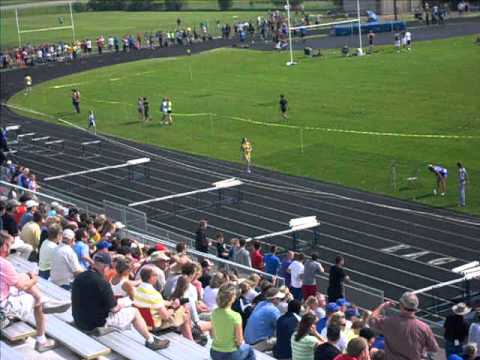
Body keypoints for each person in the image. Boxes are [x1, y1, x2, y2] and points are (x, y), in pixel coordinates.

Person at [72, 252, 169, 350]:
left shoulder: (80, 276)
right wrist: (123, 303)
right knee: (134, 312)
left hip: (78, 319)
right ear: (106, 267)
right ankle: (151, 341)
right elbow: (114, 309)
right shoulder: (102, 283)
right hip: (93, 324)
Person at [0, 232, 70, 352]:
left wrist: (27, 277)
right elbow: (23, 286)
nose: (10, 248)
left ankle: (42, 299)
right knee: (35, 299)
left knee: (22, 277)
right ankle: (41, 340)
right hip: (2, 314)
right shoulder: (4, 264)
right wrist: (34, 279)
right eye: (8, 244)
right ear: (3, 246)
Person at [369, 292, 439, 359]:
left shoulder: (389, 322)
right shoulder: (424, 327)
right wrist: (420, 350)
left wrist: (383, 305)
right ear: (416, 308)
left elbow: (371, 320)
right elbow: (434, 348)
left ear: (401, 305)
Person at [134, 265, 192, 339]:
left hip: (141, 321)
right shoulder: (155, 294)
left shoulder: (136, 290)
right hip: (155, 326)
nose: (157, 277)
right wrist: (173, 307)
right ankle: (190, 340)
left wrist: (169, 303)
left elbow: (152, 302)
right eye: (156, 275)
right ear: (151, 277)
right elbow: (165, 316)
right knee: (185, 313)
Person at [211, 282, 256, 360]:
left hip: (214, 352)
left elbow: (212, 334)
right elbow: (239, 341)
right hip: (230, 355)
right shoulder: (236, 316)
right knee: (249, 349)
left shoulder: (214, 312)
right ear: (232, 298)